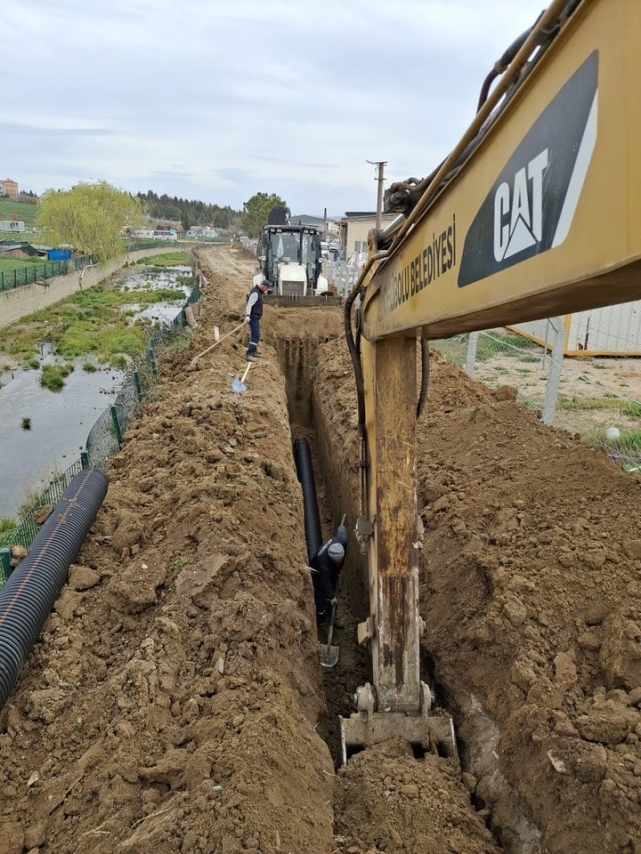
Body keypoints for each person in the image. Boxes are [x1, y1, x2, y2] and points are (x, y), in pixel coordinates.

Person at [310, 520, 348, 628]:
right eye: (337, 561)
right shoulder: (324, 565)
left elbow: (342, 530)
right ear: (332, 559)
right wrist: (332, 597)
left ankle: (332, 616)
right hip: (316, 570)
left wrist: (341, 526)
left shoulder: (342, 540)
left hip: (331, 569)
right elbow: (325, 582)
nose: (340, 562)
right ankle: (321, 620)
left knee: (333, 585)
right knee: (321, 594)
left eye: (341, 559)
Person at [244, 278, 272, 362]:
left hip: (255, 317)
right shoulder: (255, 293)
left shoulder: (258, 292)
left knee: (255, 335)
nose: (267, 289)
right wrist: (248, 315)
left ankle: (254, 352)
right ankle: (249, 353)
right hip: (253, 317)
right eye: (267, 288)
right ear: (263, 286)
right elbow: (249, 305)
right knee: (256, 336)